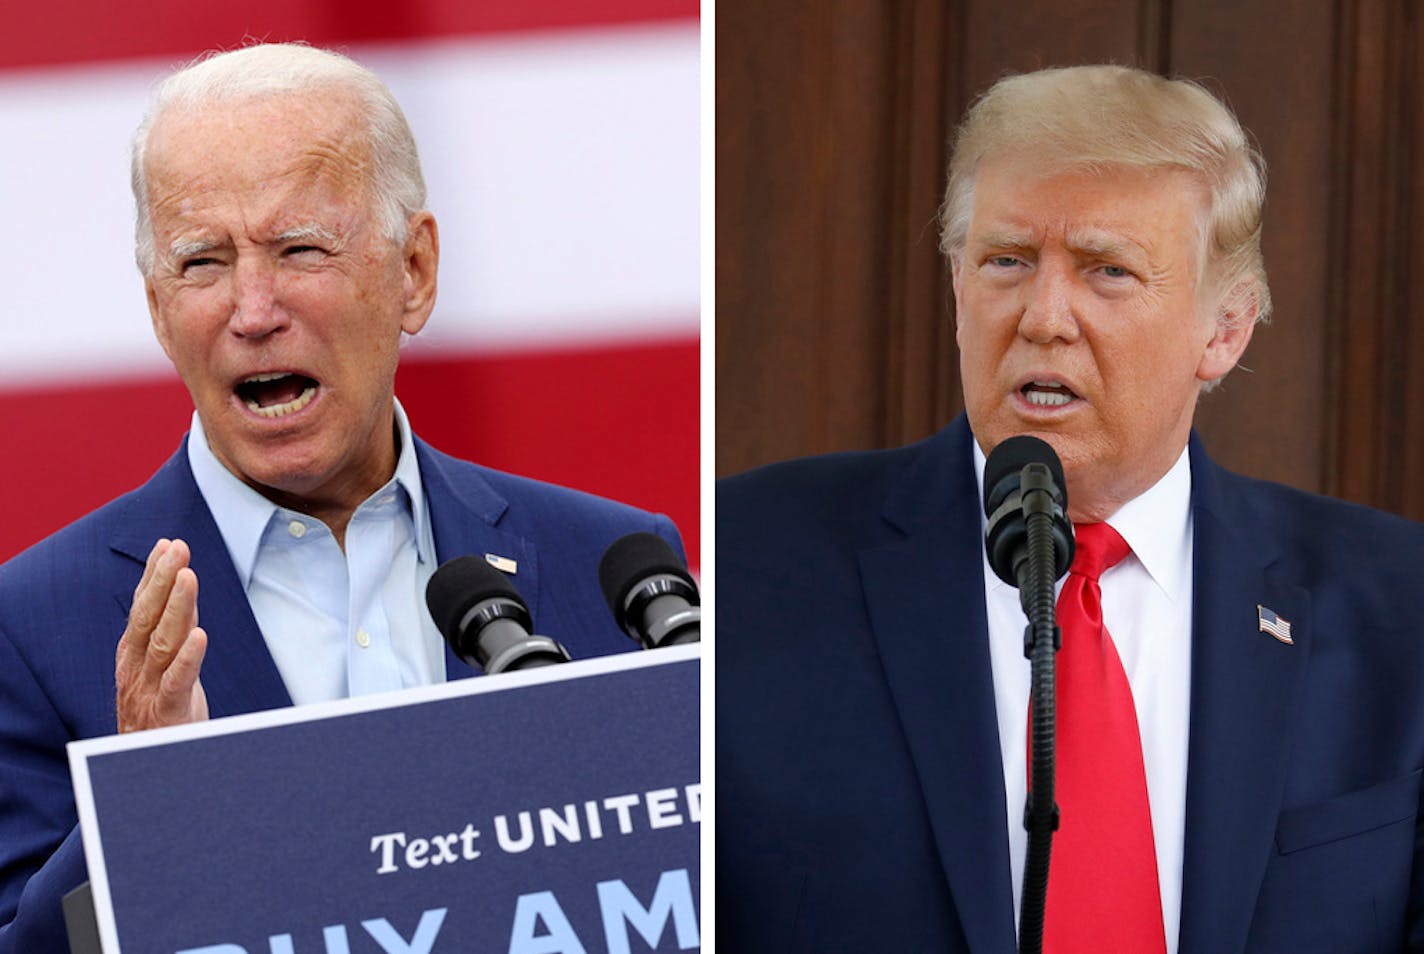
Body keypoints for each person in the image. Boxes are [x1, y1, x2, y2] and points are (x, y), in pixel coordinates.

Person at [717, 65, 1424, 953]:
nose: (1044, 316)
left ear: (1225, 329)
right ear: (957, 289)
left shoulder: (1402, 607)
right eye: (1006, 261)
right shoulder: (744, 569)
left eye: (1108, 271)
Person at [0, 43, 684, 950]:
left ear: (413, 272)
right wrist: (149, 807)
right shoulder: (34, 625)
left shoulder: (617, 572)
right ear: (159, 308)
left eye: (300, 249)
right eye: (202, 262)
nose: (253, 309)